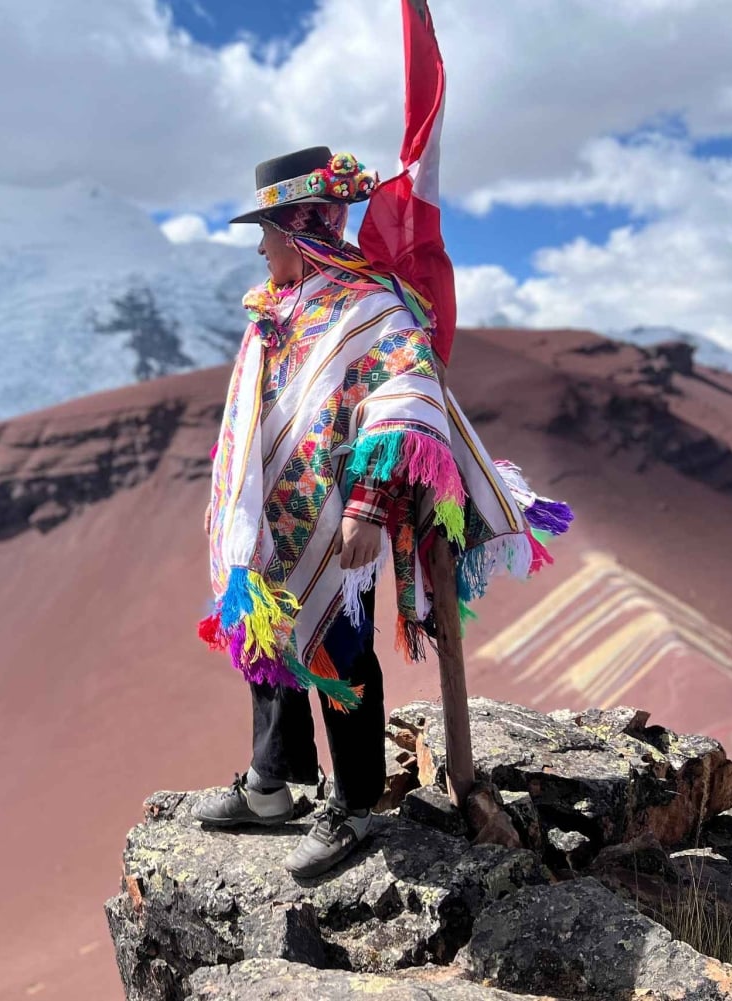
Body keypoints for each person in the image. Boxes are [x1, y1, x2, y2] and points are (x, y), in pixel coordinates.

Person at [194, 147, 573, 879]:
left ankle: (357, 803)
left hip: (338, 524)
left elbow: (405, 403)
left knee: (341, 649)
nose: (260, 246)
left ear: (301, 227)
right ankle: (271, 784)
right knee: (267, 637)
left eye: (268, 230)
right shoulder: (276, 310)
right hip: (271, 521)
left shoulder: (370, 308)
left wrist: (367, 507)